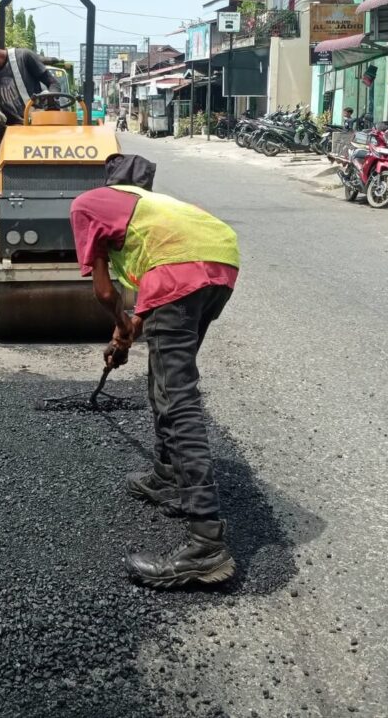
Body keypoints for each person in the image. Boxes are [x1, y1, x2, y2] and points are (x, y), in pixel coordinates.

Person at [70, 153, 240, 590]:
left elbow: (105, 291)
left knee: (177, 396)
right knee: (163, 378)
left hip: (180, 272)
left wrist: (120, 322)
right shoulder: (154, 208)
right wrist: (125, 333)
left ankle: (206, 544)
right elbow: (154, 290)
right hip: (221, 261)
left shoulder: (89, 204)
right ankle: (167, 476)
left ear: (109, 184)